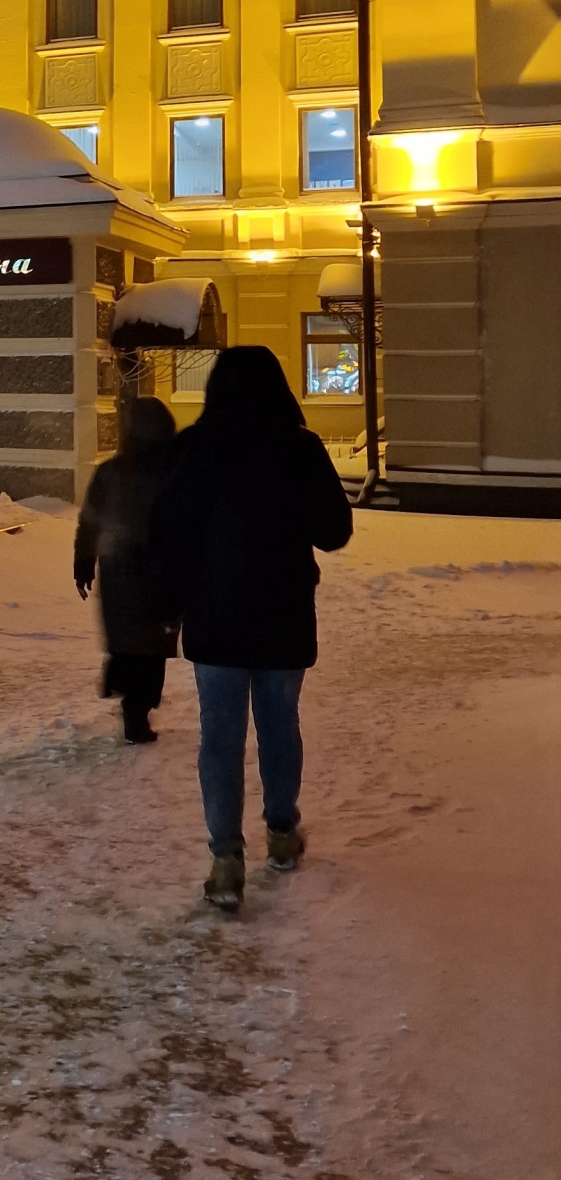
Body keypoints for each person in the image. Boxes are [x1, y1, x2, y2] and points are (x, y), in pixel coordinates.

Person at [148, 344, 353, 911]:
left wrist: (167, 604)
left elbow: (167, 534)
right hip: (283, 611)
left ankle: (224, 859)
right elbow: (334, 530)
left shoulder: (193, 449)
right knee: (279, 722)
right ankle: (282, 834)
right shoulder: (300, 448)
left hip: (215, 613)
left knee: (220, 734)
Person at [73, 397, 180, 744]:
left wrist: (84, 561)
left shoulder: (111, 472)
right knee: (150, 645)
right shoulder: (172, 472)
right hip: (160, 573)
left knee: (127, 642)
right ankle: (138, 710)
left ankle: (132, 705)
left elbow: (90, 522)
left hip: (119, 569)